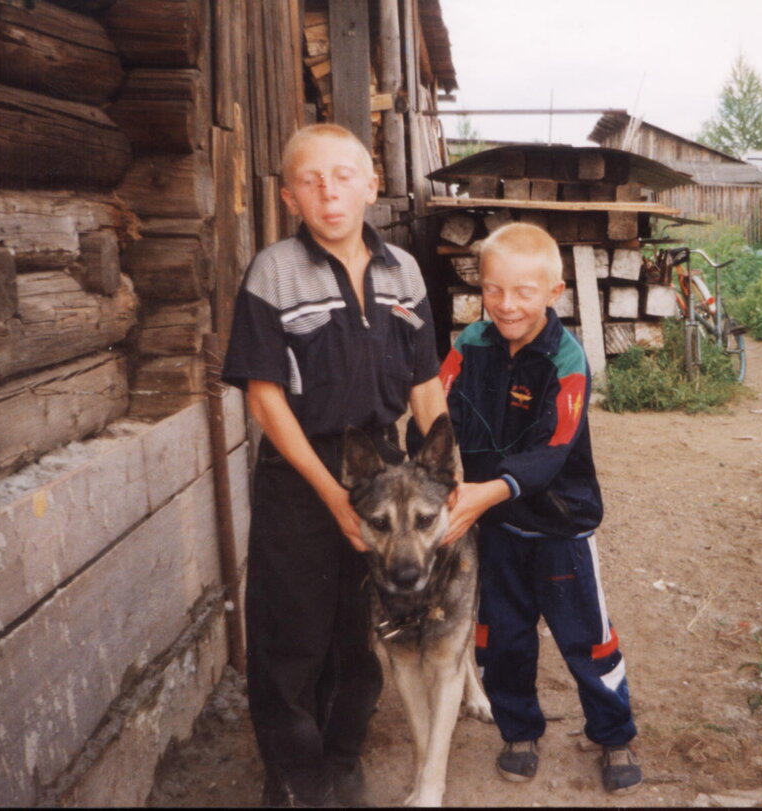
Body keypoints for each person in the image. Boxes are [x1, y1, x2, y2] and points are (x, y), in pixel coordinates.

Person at [222, 123, 447, 807]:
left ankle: (343, 753)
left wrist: (444, 485)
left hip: (384, 466)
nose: (329, 192)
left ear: (371, 184)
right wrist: (332, 494)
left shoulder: (404, 272)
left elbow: (426, 384)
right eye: (311, 180)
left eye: (343, 176)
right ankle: (295, 773)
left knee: (363, 630)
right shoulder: (273, 270)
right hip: (304, 471)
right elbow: (264, 398)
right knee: (292, 631)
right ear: (290, 196)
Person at [438, 222, 643, 795]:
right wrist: (432, 471)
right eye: (494, 290)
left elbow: (552, 451)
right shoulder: (466, 348)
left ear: (555, 293)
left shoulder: (567, 360)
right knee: (502, 636)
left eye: (524, 292)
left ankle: (614, 732)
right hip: (498, 528)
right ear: (481, 287)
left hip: (559, 525)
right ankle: (518, 729)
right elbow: (435, 413)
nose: (507, 305)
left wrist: (483, 493)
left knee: (587, 638)